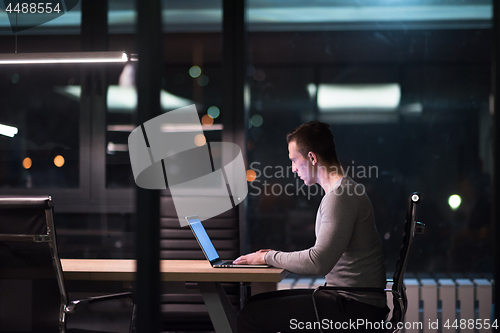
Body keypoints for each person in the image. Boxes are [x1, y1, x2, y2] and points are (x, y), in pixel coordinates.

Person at [234, 121, 389, 332]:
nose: (293, 168)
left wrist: (267, 257)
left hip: (355, 309)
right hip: (351, 301)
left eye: (294, 160)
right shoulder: (344, 191)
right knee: (254, 305)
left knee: (251, 315)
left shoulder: (340, 196)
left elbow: (318, 262)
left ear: (312, 157)